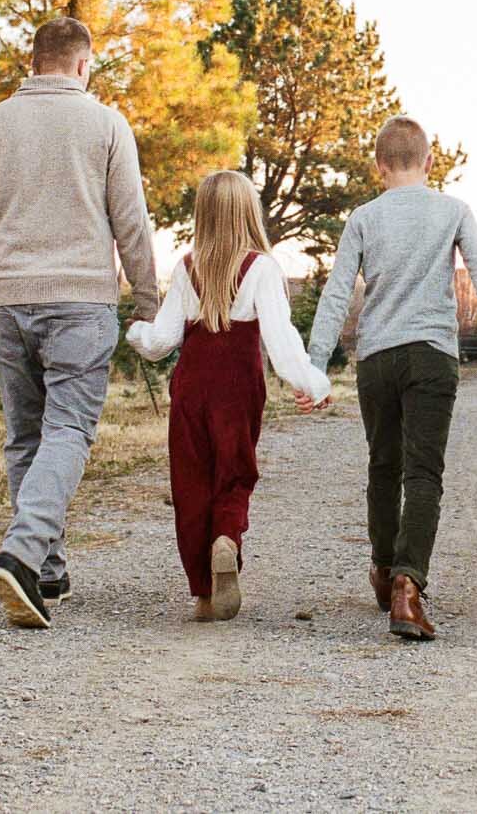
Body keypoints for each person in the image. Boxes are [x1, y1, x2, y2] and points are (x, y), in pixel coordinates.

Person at [0, 16, 160, 629]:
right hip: (82, 300)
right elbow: (132, 223)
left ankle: (45, 570)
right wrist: (149, 305)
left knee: (25, 435)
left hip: (9, 298)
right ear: (83, 65)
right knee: (67, 430)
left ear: (33, 61)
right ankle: (20, 550)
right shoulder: (106, 124)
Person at [308, 116, 477, 641]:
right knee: (423, 473)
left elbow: (338, 293)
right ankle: (408, 584)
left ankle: (383, 570)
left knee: (383, 465)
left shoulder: (363, 217)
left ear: (379, 167)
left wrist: (314, 363)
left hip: (377, 357)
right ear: (429, 163)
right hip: (431, 355)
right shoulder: (453, 210)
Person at [126, 170, 333, 621]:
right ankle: (226, 538)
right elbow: (281, 341)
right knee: (236, 472)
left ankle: (203, 592)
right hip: (238, 383)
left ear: (203, 215)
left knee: (191, 483)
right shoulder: (262, 267)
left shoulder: (187, 266)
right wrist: (313, 385)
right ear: (248, 212)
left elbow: (161, 342)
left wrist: (134, 332)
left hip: (191, 383)